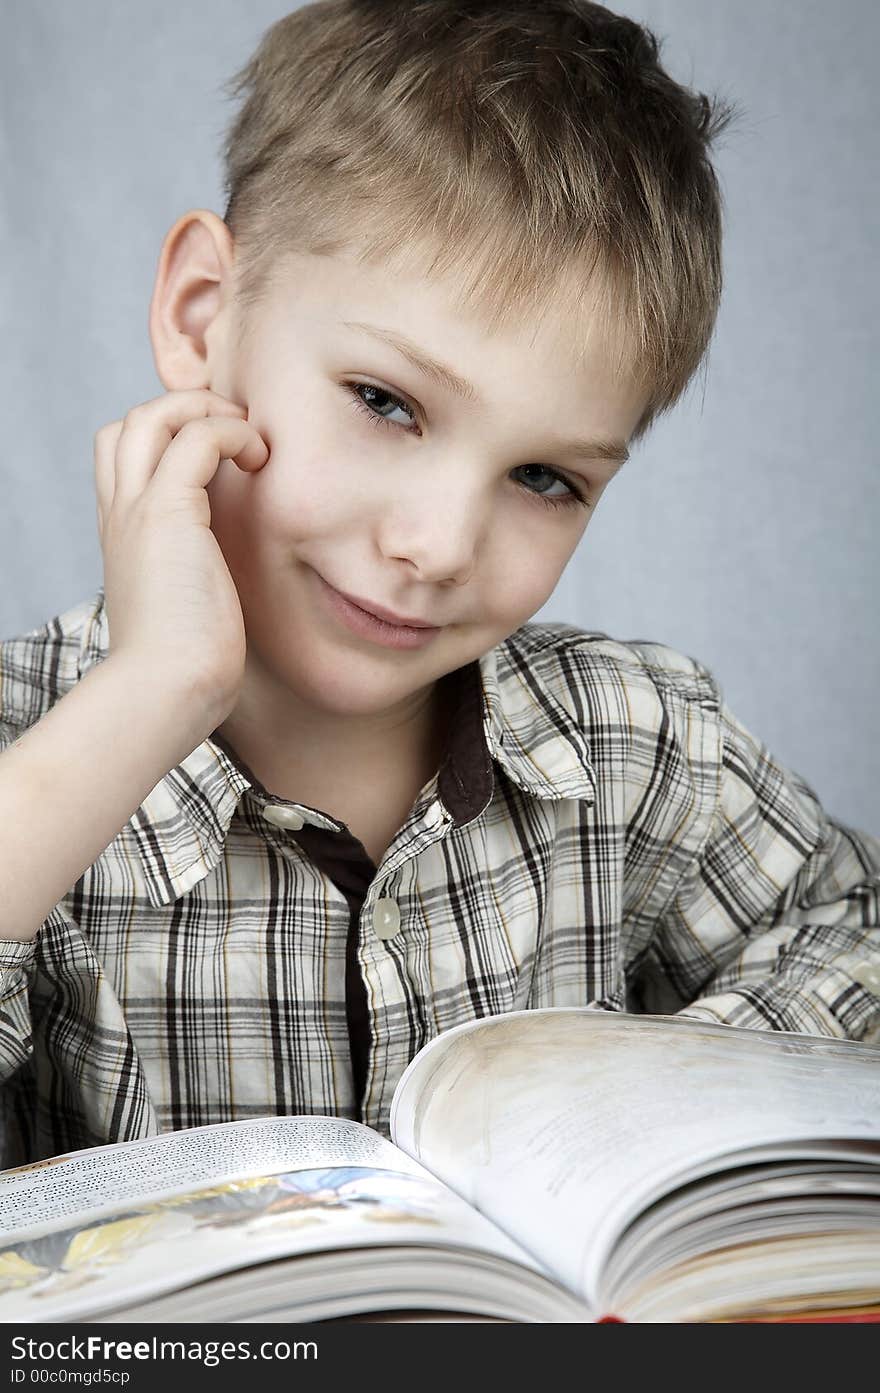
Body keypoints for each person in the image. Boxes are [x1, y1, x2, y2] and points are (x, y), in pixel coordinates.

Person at [1, 0, 877, 1169]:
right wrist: (153, 687)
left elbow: (852, 931)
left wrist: (639, 1113)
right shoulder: (30, 754)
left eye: (543, 476)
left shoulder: (638, 742)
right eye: (385, 402)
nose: (438, 543)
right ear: (202, 315)